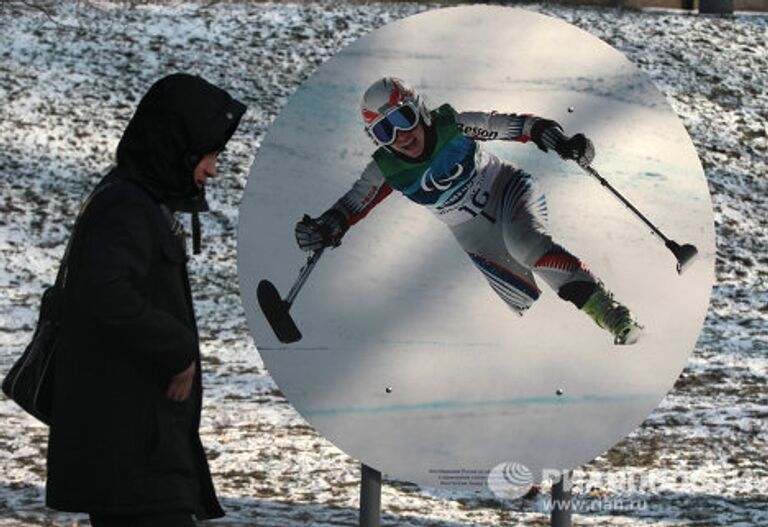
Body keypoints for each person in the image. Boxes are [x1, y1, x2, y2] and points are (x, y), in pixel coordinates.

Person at [295, 77, 642, 345]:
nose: (400, 135)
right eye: (384, 130)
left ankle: (613, 316)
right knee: (521, 300)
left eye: (403, 118)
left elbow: (516, 125)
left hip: (507, 190)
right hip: (475, 236)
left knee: (527, 245)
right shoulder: (387, 169)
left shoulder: (454, 126)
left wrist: (558, 139)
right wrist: (325, 227)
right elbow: (354, 203)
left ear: (421, 110)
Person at [45, 73, 246, 526]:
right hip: (132, 455)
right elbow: (106, 293)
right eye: (209, 154)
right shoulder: (127, 207)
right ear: (176, 145)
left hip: (139, 451)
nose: (212, 169)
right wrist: (177, 349)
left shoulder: (136, 202)